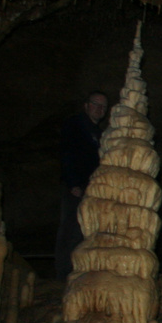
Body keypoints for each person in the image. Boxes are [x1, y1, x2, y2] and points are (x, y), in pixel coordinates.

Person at [55, 91, 108, 279]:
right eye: (95, 104)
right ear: (86, 105)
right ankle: (64, 274)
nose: (99, 109)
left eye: (103, 106)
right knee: (71, 229)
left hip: (92, 189)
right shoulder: (75, 125)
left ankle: (80, 271)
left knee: (85, 231)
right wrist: (73, 183)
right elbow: (67, 154)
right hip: (77, 187)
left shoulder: (99, 133)